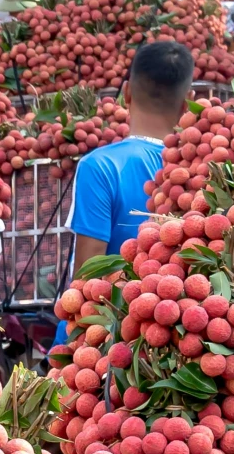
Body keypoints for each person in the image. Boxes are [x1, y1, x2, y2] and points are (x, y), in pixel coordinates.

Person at [67, 39, 192, 279]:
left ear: (126, 93)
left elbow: (88, 278)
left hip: (117, 312)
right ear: (187, 104)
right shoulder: (198, 171)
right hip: (184, 312)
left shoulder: (99, 167)